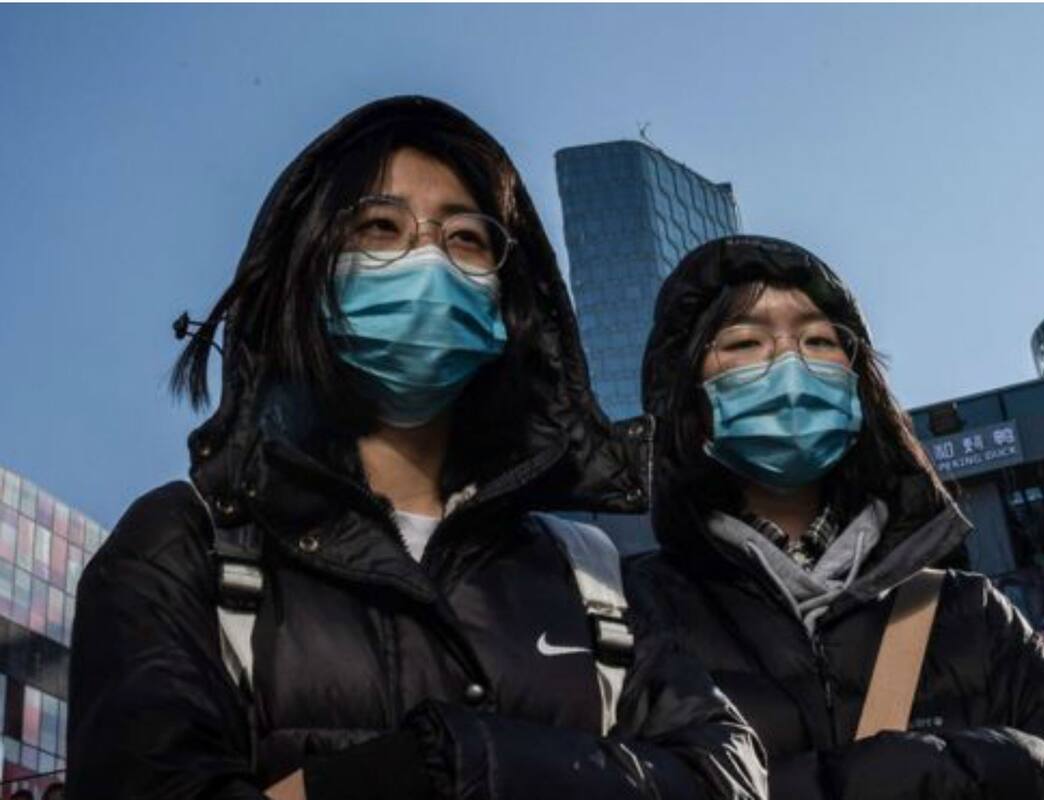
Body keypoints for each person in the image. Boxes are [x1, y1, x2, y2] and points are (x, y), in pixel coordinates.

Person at [66, 97, 765, 800]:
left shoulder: (592, 576)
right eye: (379, 227)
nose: (426, 258)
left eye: (465, 238)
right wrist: (394, 777)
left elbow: (726, 774)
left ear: (508, 298)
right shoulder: (185, 545)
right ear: (311, 274)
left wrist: (466, 762)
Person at [631, 235, 1044, 799]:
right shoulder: (633, 614)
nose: (789, 363)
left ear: (858, 389)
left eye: (820, 339)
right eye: (745, 341)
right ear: (689, 398)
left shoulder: (971, 613)